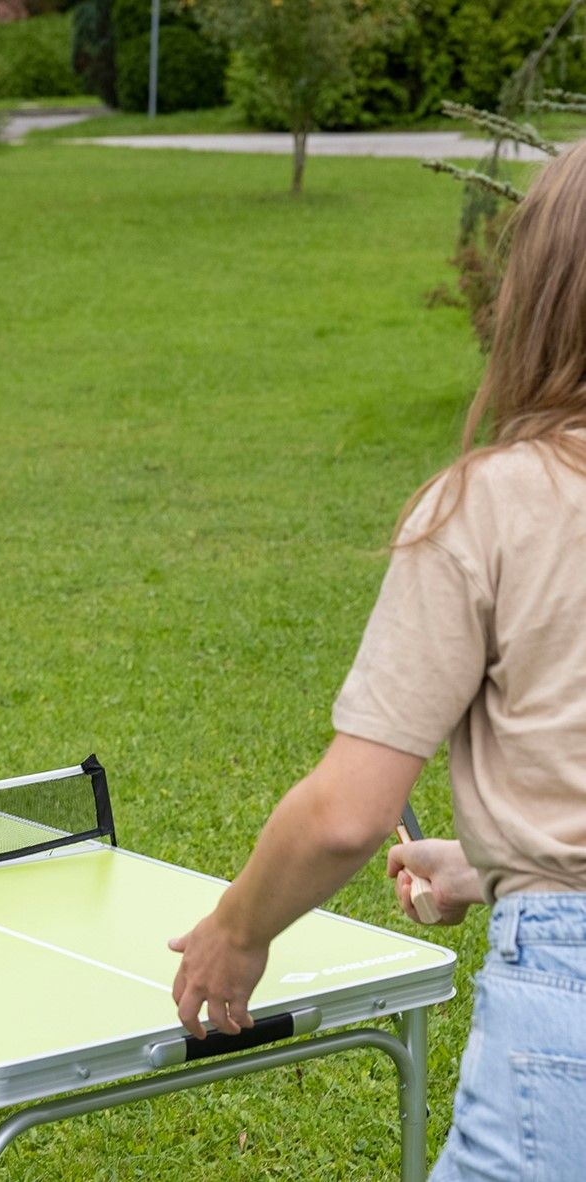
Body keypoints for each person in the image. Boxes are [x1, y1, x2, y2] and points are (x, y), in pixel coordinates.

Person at [169, 138, 586, 1182]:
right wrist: (498, 869)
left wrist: (235, 930)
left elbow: (345, 816)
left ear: (540, 294)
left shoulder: (491, 503)